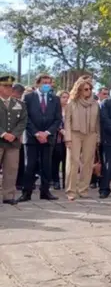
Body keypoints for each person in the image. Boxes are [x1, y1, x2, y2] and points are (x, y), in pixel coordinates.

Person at [18, 74, 62, 202]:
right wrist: (36, 133)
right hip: (31, 137)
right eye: (44, 82)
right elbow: (25, 117)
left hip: (48, 138)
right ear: (37, 83)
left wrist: (47, 133)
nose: (46, 85)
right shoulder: (28, 97)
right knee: (29, 165)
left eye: (49, 83)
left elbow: (57, 119)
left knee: (46, 165)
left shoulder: (55, 99)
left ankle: (45, 191)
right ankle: (26, 192)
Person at [61, 77, 99, 201]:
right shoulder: (72, 103)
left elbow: (98, 122)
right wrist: (68, 138)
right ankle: (71, 190)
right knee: (73, 162)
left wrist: (98, 137)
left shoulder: (95, 104)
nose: (89, 91)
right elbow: (67, 122)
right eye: (86, 89)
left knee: (88, 162)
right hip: (75, 134)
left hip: (91, 134)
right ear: (79, 90)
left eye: (90, 89)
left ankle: (83, 189)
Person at [0, 76, 27, 205]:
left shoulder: (19, 104)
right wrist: (3, 134)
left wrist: (14, 134)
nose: (9, 88)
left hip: (13, 142)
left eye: (10, 86)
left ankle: (8, 196)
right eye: (5, 86)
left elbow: (23, 121)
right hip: (1, 139)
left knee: (11, 169)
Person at [52, 90, 69, 190]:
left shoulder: (70, 109)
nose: (66, 99)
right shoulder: (54, 109)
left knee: (67, 161)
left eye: (67, 97)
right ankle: (56, 181)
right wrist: (60, 129)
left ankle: (66, 182)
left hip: (68, 139)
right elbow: (53, 121)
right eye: (63, 97)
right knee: (56, 161)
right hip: (57, 138)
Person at [11, 83, 26, 193]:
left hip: (18, 137)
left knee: (17, 163)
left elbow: (23, 121)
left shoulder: (21, 105)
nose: (18, 97)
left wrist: (18, 134)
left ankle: (18, 183)